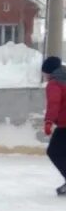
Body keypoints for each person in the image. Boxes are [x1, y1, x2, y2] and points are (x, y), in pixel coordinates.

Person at [40, 56, 66, 196]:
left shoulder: (55, 84)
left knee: (54, 151)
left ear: (49, 71)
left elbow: (54, 104)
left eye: (44, 73)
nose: (44, 76)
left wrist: (48, 122)